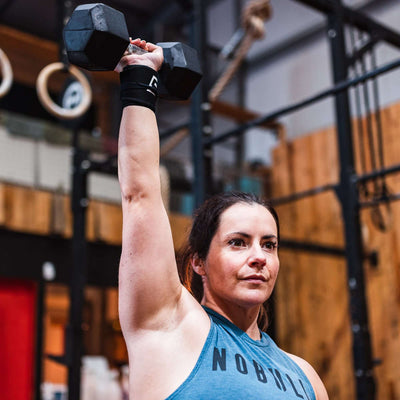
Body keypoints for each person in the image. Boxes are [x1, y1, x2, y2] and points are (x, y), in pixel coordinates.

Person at [116, 38, 329, 400]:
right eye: (238, 242)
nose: (259, 256)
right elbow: (141, 195)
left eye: (269, 244)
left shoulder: (304, 375)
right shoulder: (170, 325)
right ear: (198, 261)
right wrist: (140, 75)